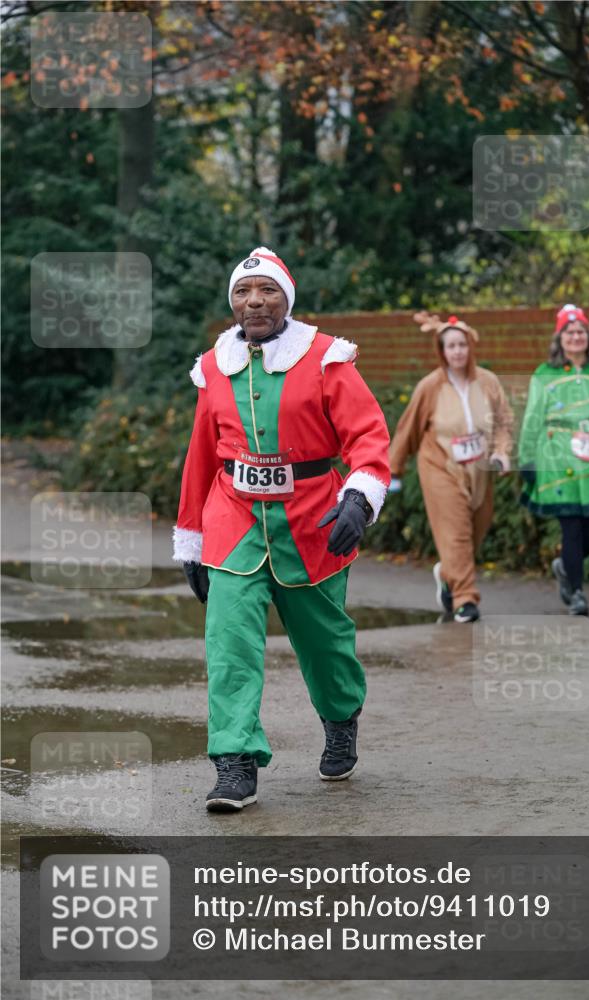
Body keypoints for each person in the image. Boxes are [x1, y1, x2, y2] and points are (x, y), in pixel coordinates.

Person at [173, 247, 391, 811]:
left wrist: (358, 500)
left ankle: (341, 718)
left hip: (313, 523)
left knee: (325, 646)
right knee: (229, 644)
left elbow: (368, 436)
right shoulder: (214, 365)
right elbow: (201, 457)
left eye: (267, 290)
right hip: (233, 520)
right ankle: (234, 762)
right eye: (244, 293)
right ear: (232, 302)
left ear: (286, 298)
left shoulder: (324, 359)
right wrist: (191, 540)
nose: (255, 302)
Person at [389, 312, 513, 623]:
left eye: (462, 345)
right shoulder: (429, 387)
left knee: (475, 531)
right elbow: (408, 429)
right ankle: (465, 600)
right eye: (450, 346)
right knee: (456, 533)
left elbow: (503, 422)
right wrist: (393, 469)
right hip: (440, 466)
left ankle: (448, 573)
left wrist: (502, 452)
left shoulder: (488, 382)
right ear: (441, 351)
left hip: (480, 470)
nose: (457, 351)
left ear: (471, 347)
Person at [518, 303, 589, 616]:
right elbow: (531, 418)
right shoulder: (545, 374)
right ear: (559, 338)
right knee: (570, 527)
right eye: (569, 332)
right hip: (557, 461)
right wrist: (527, 458)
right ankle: (578, 594)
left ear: (588, 336)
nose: (575, 336)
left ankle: (565, 567)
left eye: (580, 331)